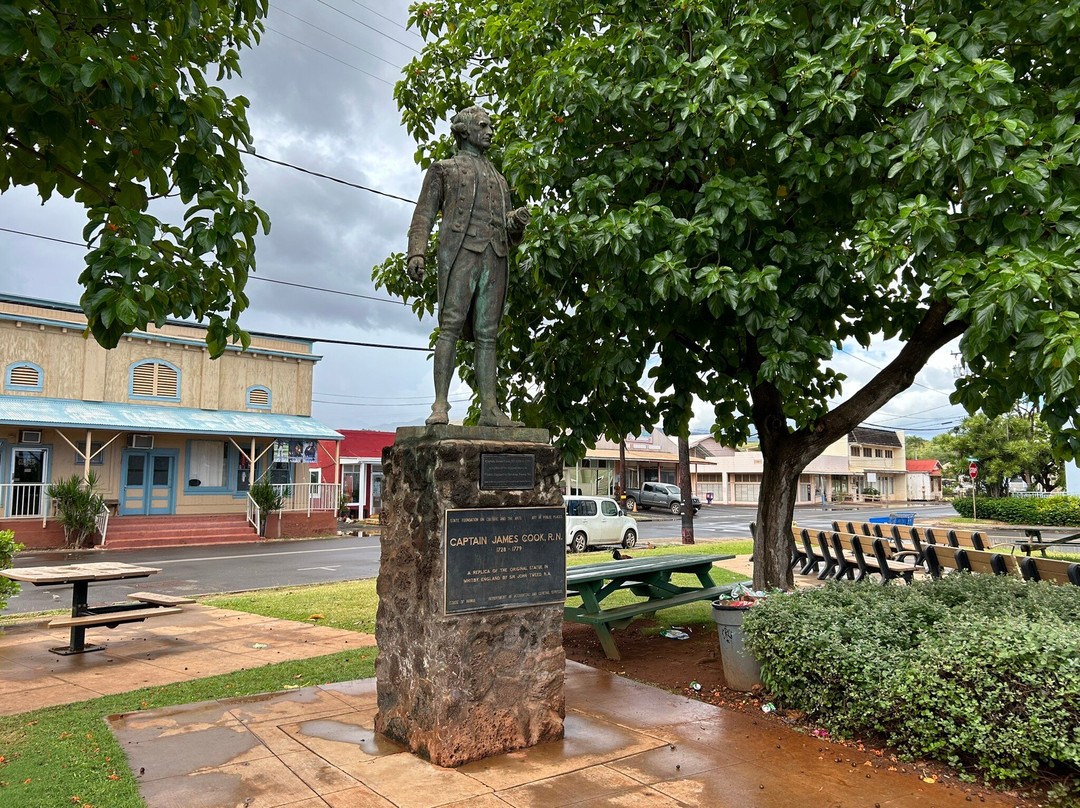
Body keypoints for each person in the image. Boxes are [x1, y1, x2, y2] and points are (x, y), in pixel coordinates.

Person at [407, 105, 530, 427]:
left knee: (488, 334)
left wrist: (515, 223)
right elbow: (423, 215)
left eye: (490, 126)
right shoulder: (443, 169)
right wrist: (416, 253)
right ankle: (440, 405)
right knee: (449, 326)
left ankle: (490, 408)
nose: (490, 131)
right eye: (484, 126)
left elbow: (504, 223)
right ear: (464, 130)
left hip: (495, 255)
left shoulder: (499, 178)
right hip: (460, 252)